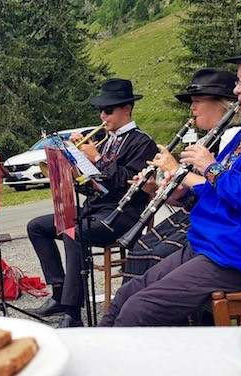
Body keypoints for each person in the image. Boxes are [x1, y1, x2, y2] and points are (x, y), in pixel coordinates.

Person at [99, 31, 241, 327]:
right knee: (125, 297)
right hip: (212, 244)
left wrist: (210, 167)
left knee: (139, 310)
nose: (237, 89)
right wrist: (178, 193)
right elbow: (221, 194)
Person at [26, 78, 158, 327]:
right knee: (37, 226)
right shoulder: (107, 140)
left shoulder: (142, 142)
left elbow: (126, 182)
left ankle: (73, 312)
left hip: (123, 215)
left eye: (108, 110)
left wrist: (96, 157)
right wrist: (75, 165)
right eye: (100, 110)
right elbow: (97, 185)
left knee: (74, 232)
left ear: (126, 109)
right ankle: (59, 292)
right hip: (96, 210)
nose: (102, 115)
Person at [122, 68, 241, 283]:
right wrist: (153, 189)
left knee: (155, 258)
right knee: (140, 248)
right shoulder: (207, 140)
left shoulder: (233, 137)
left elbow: (225, 192)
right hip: (193, 216)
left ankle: (164, 314)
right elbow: (194, 197)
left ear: (222, 104)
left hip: (212, 222)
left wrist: (176, 170)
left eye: (198, 100)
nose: (192, 107)